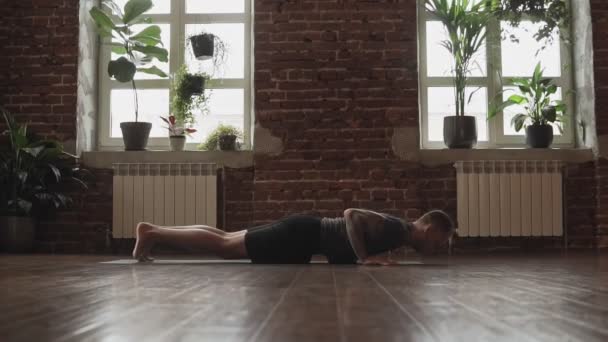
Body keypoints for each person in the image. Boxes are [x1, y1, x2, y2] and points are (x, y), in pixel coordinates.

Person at [132, 208, 456, 265]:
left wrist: (376, 256)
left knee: (225, 237)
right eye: (439, 242)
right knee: (223, 246)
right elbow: (351, 214)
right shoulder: (397, 228)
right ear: (429, 230)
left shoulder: (397, 233)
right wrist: (364, 258)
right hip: (299, 236)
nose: (437, 249)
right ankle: (153, 232)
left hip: (301, 233)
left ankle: (154, 231)